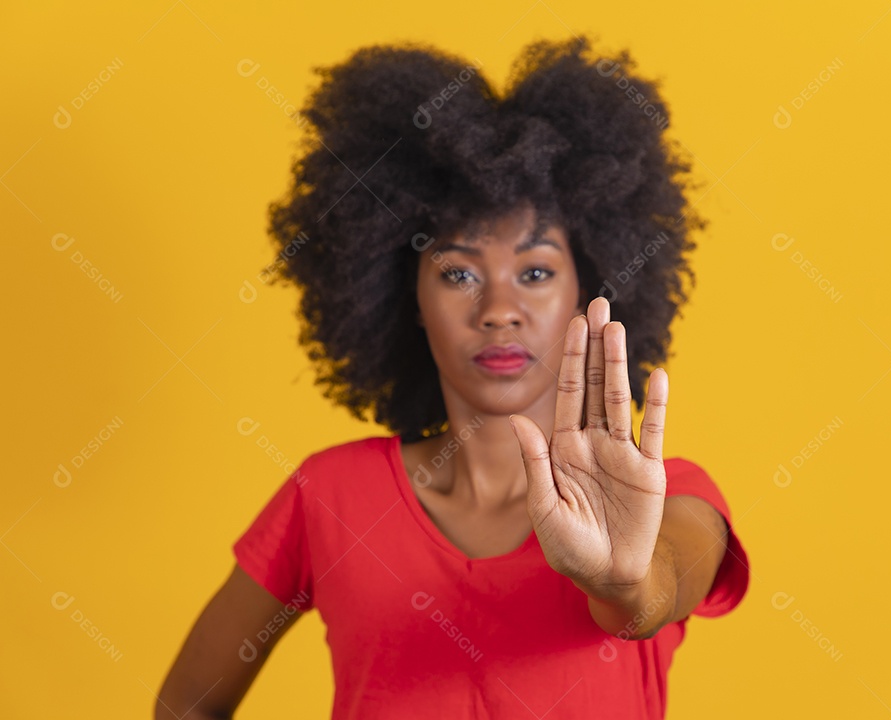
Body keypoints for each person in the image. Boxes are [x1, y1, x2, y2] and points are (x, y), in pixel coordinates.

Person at [156, 34, 749, 720]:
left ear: (590, 288)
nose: (499, 311)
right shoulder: (330, 496)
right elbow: (186, 706)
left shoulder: (666, 499)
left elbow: (651, 597)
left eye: (535, 272)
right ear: (401, 296)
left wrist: (622, 580)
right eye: (458, 273)